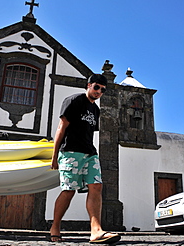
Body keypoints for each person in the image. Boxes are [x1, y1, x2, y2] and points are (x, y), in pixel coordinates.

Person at [49, 74, 121, 244]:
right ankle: (55, 226)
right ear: (88, 85)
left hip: (90, 153)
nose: (99, 92)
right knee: (68, 190)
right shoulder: (73, 100)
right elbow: (62, 127)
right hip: (70, 152)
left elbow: (88, 133)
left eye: (103, 90)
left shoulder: (96, 110)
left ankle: (96, 231)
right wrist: (55, 156)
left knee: (96, 186)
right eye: (96, 87)